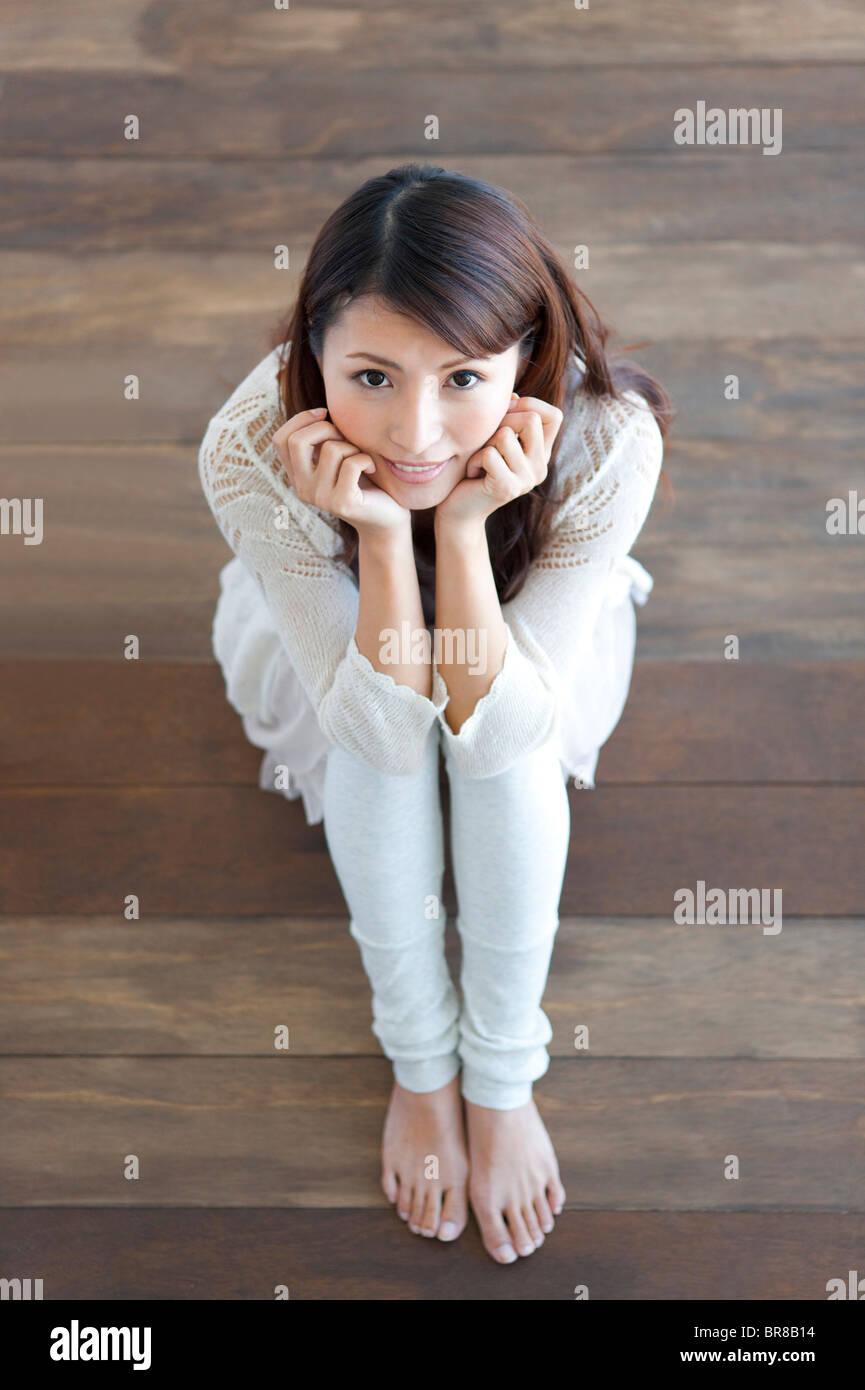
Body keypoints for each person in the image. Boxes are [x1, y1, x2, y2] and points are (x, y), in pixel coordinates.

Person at [198, 162, 673, 1265]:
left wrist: (460, 536)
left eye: (464, 377)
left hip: (531, 655)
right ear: (308, 354)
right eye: (370, 374)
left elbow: (507, 734)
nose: (415, 433)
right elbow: (373, 728)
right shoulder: (246, 446)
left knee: (502, 752)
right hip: (329, 658)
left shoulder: (607, 435)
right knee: (393, 738)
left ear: (525, 358)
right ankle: (421, 1064)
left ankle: (501, 1076)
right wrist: (376, 540)